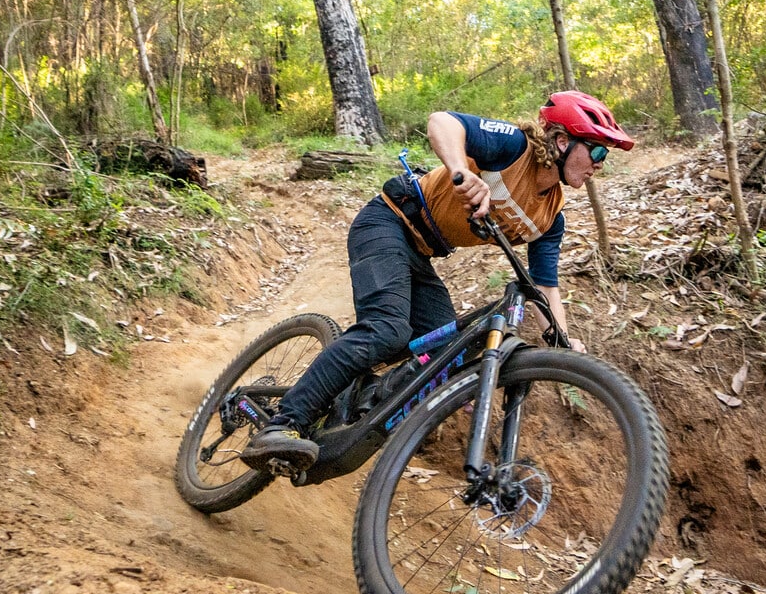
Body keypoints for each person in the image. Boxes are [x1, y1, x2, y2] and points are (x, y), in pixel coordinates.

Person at [239, 91, 634, 473]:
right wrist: (462, 171)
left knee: (447, 358)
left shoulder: (551, 216)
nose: (600, 164)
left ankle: (346, 405)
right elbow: (442, 122)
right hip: (387, 222)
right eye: (597, 151)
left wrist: (563, 340)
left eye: (605, 156)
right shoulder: (513, 148)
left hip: (423, 252)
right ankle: (282, 423)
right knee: (386, 330)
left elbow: (545, 286)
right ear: (562, 141)